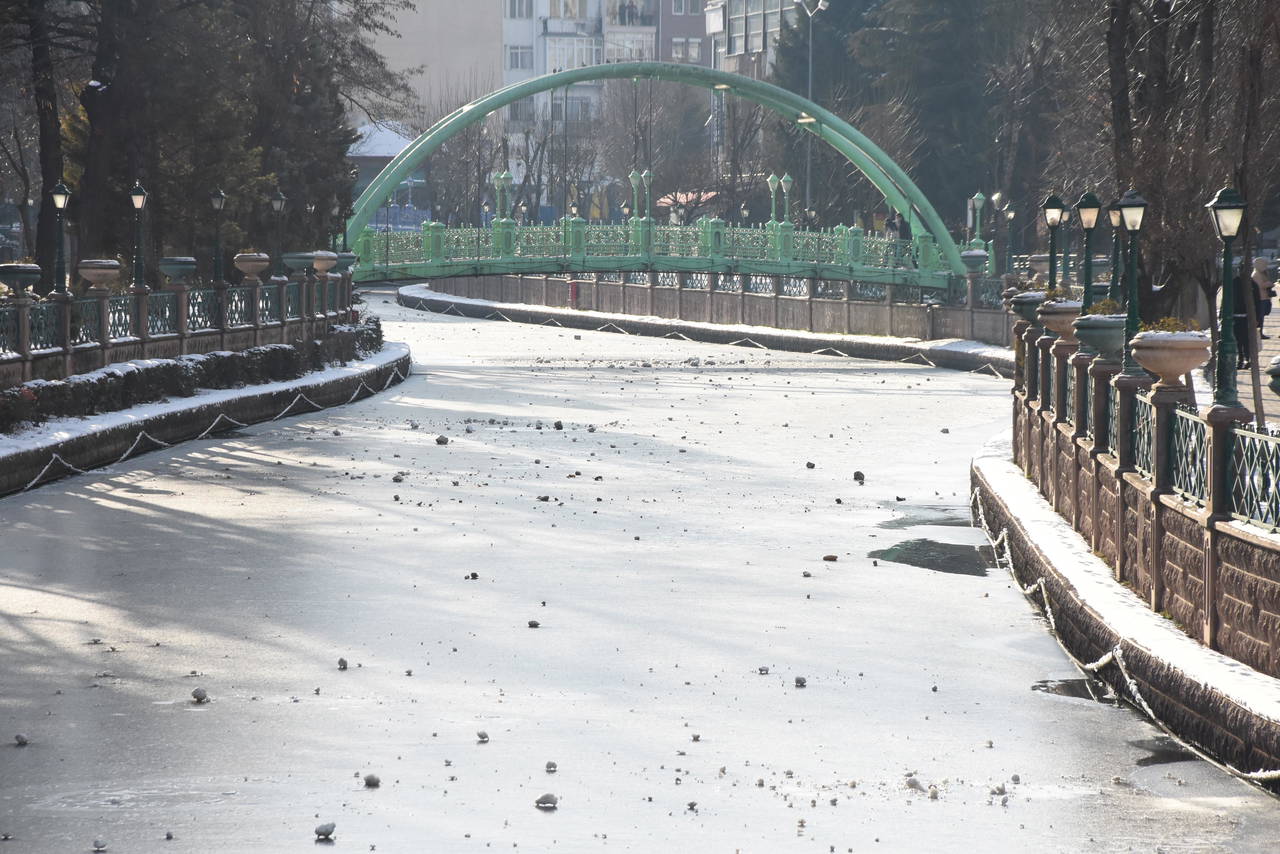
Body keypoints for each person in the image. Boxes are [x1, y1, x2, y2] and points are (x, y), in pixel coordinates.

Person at [1233, 273, 1254, 369]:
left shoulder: (1251, 284)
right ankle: (1244, 359)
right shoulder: (1250, 283)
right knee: (1243, 341)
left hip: (1240, 318)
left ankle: (1243, 359)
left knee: (1241, 341)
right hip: (1242, 318)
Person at [1252, 257, 1274, 339]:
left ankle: (1260, 332)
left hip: (1265, 298)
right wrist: (1269, 283)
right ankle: (1259, 333)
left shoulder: (1262, 274)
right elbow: (1260, 285)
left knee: (1262, 317)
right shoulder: (1256, 274)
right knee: (1260, 317)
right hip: (1261, 299)